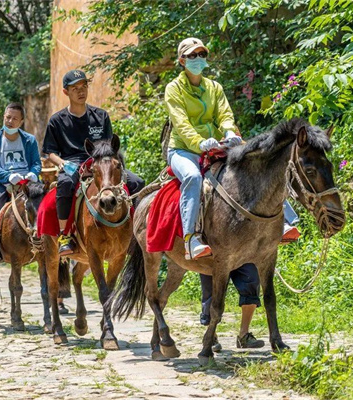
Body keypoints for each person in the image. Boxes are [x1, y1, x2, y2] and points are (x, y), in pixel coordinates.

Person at [165, 37, 300, 350]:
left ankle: (286, 220)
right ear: (182, 61)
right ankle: (192, 237)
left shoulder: (213, 86)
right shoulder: (174, 89)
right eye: (192, 55)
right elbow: (180, 122)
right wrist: (199, 142)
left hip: (216, 144)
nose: (199, 58)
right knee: (193, 181)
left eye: (203, 54)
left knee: (259, 169)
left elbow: (225, 114)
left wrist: (228, 133)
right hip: (184, 150)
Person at [42, 69, 145, 255]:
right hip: (72, 163)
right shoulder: (57, 121)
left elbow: (109, 147)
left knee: (137, 182)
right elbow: (49, 152)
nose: (81, 92)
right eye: (75, 88)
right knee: (65, 184)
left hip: (100, 162)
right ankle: (65, 235)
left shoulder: (101, 116)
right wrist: (62, 164)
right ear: (66, 92)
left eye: (84, 87)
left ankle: (136, 232)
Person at [0, 103, 41, 264]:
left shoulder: (29, 140)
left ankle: (53, 240)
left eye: (15, 118)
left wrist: (33, 173)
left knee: (47, 202)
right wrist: (7, 176)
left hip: (28, 183)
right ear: (4, 117)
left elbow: (36, 162)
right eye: (8, 117)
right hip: (4, 183)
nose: (10, 121)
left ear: (21, 121)